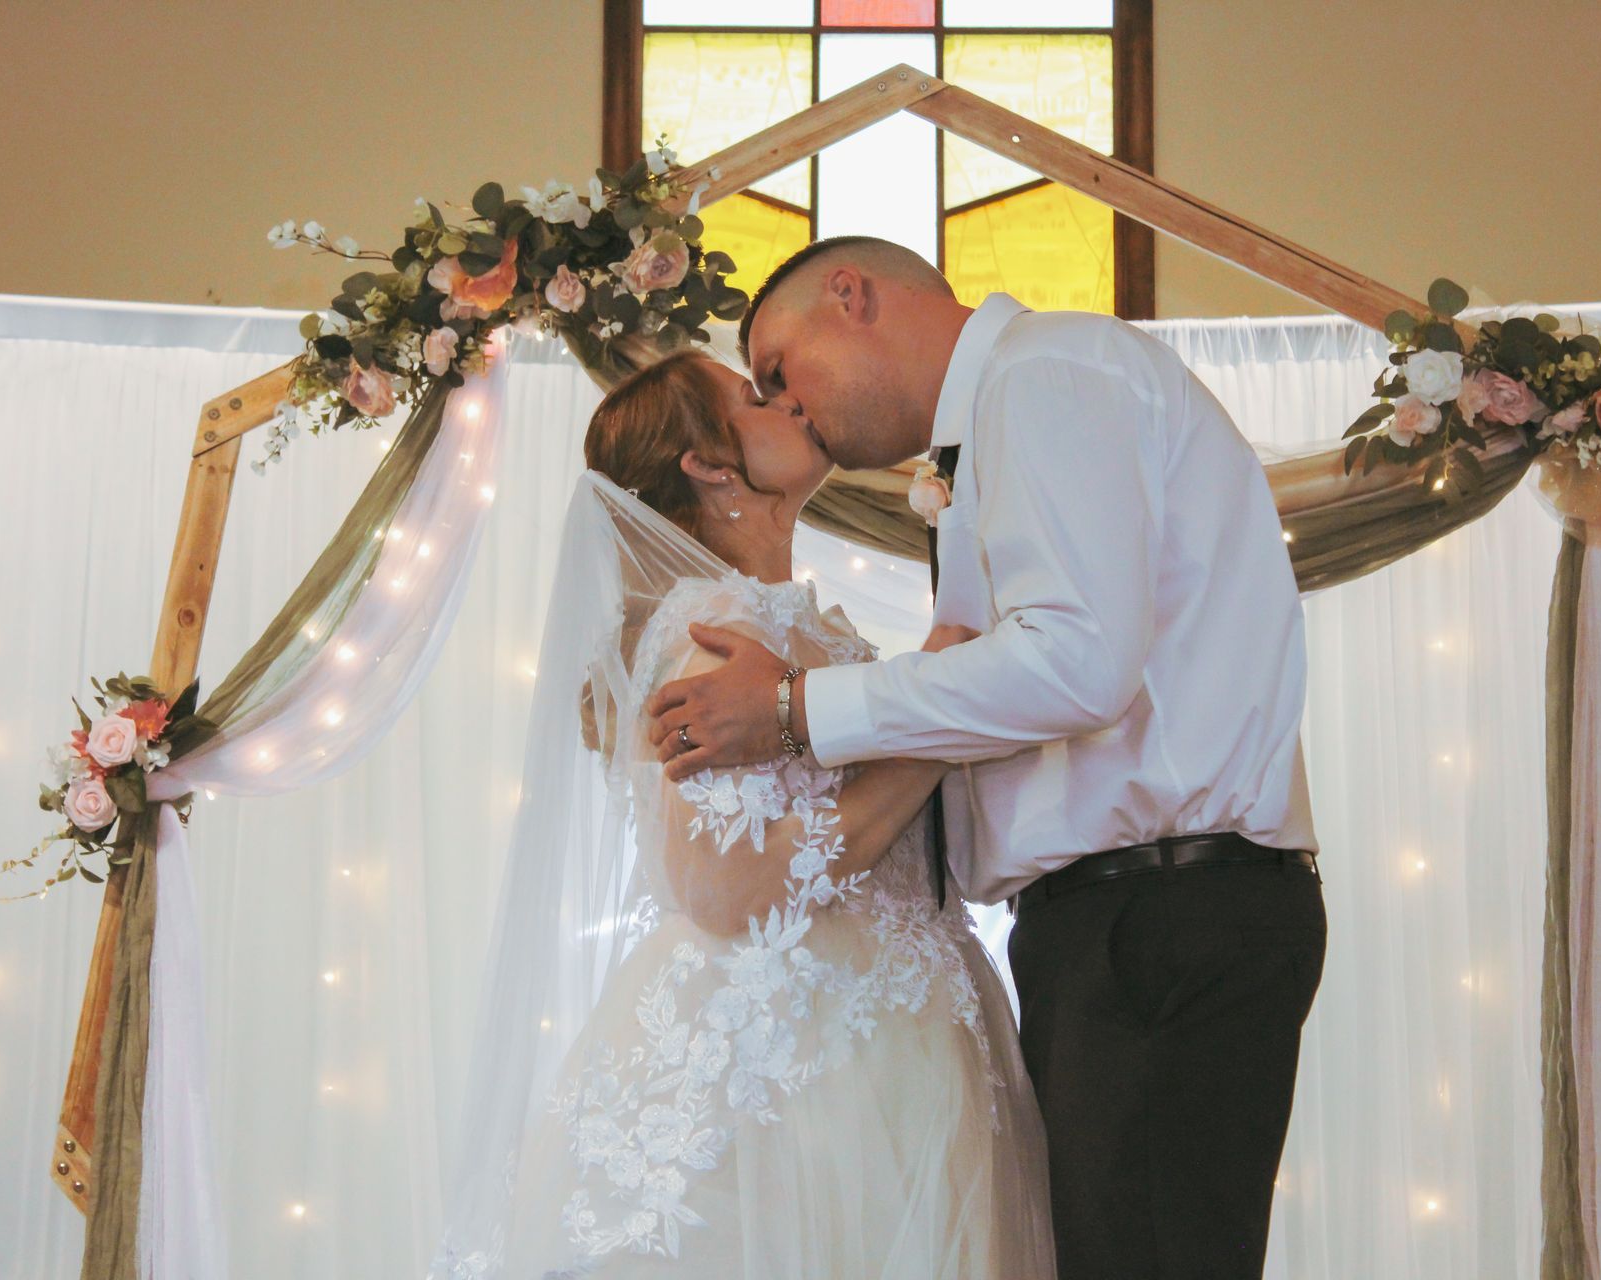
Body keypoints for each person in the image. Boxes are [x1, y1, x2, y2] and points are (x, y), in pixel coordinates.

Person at [647, 237, 1326, 1279]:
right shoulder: (1013, 411)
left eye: (783, 367)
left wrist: (794, 709)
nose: (792, 405)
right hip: (1122, 919)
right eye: (760, 394)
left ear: (852, 295)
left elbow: (1076, 663)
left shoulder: (1045, 375)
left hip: (1160, 912)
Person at [428, 349, 1056, 1279]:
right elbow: (728, 887)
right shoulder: (716, 625)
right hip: (795, 1068)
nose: (792, 403)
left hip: (898, 1030)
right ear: (710, 466)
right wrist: (941, 702)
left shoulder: (794, 622)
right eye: (756, 399)